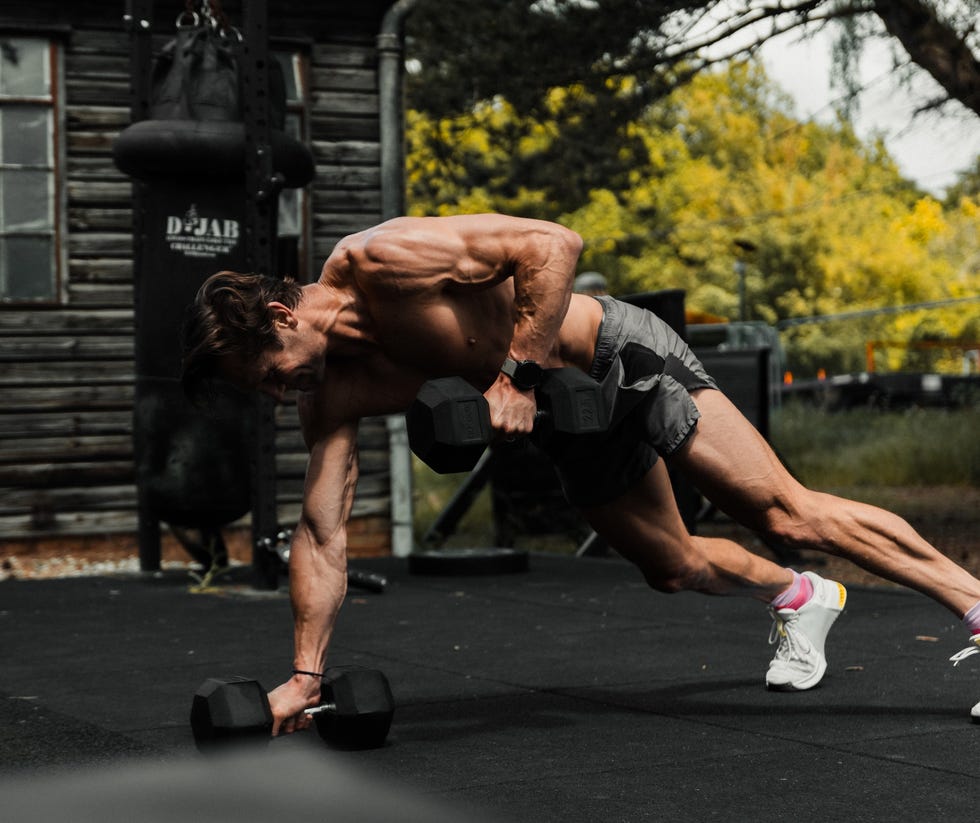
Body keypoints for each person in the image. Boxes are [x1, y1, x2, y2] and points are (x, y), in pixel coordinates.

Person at [181, 213, 980, 734]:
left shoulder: (382, 261)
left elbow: (553, 244)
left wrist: (517, 375)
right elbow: (322, 533)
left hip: (619, 358)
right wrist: (304, 676)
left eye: (274, 375)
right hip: (564, 419)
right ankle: (800, 596)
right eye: (268, 392)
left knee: (786, 512)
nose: (282, 395)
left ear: (283, 317)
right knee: (675, 566)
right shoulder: (333, 392)